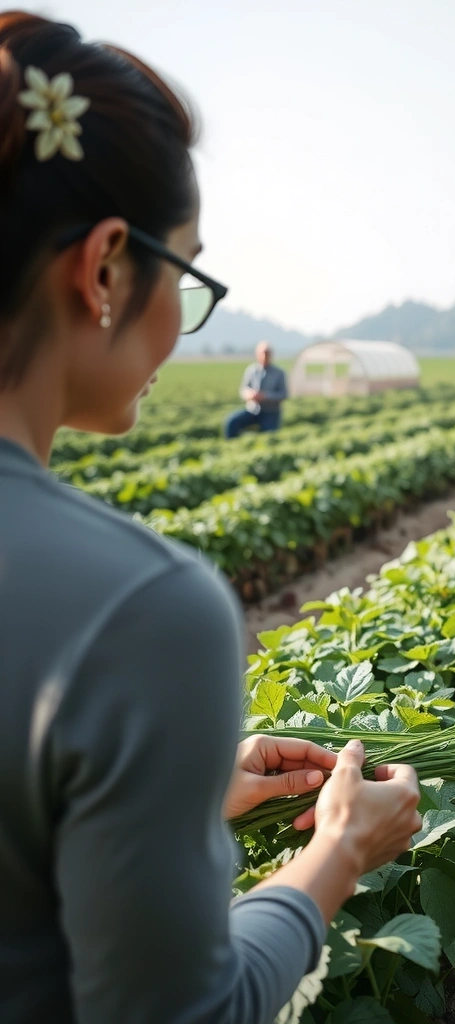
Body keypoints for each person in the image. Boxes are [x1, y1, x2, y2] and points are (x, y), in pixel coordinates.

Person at [0, 12, 422, 1024]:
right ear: (104, 269)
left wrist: (160, 796)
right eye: (183, 274)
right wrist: (336, 854)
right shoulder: (141, 609)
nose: (182, 319)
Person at [225, 340, 288, 437]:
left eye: (267, 353)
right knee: (231, 422)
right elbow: (243, 389)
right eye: (262, 353)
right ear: (257, 354)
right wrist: (249, 394)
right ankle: (231, 446)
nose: (264, 356)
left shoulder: (279, 373)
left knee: (268, 436)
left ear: (271, 355)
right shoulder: (251, 370)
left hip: (271, 412)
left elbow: (284, 394)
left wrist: (265, 396)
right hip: (252, 410)